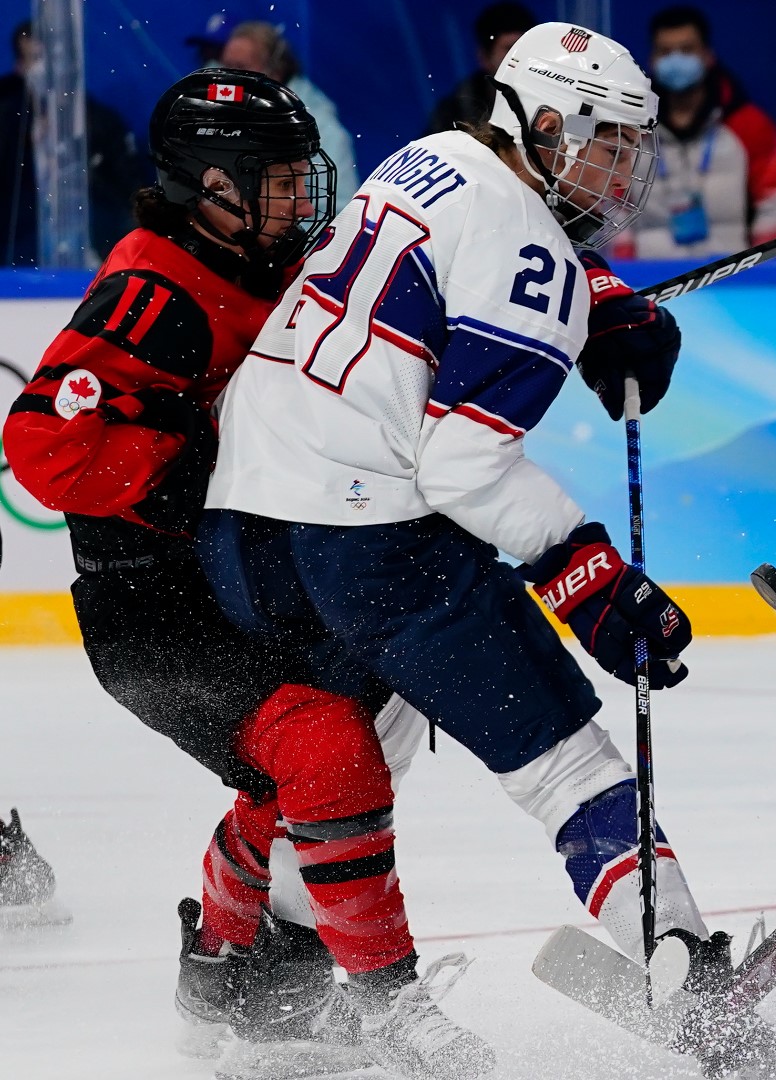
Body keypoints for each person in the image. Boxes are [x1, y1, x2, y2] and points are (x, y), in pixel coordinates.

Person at [196, 21, 731, 999]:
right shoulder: (535, 256)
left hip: (248, 516)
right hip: (366, 531)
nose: (623, 170)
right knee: (564, 758)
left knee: (348, 742)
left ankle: (246, 962)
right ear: (544, 123)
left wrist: (595, 292)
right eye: (606, 140)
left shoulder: (430, 156)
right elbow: (465, 468)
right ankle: (682, 965)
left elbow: (464, 265)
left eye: (631, 146)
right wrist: (591, 579)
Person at [0, 68, 489, 1080]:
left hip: (232, 584)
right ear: (205, 186)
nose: (293, 199)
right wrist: (198, 456)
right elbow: (43, 444)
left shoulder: (270, 270)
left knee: (329, 744)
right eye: (268, 181)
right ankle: (384, 1001)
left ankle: (231, 979)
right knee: (323, 747)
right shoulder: (152, 291)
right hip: (153, 609)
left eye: (294, 178)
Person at [615, 5, 776, 258]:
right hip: (648, 279)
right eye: (666, 52)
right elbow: (611, 203)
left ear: (708, 56)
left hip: (731, 281)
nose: (676, 60)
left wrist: (761, 270)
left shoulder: (750, 125)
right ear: (652, 61)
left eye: (687, 50)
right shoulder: (629, 127)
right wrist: (622, 274)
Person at [0, 21, 144, 264]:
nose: (43, 68)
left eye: (51, 58)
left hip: (93, 237)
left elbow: (129, 189)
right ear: (20, 66)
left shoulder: (100, 122)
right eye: (34, 58)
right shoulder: (7, 120)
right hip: (19, 243)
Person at [220, 20, 360, 193]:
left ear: (275, 73)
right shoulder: (217, 115)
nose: (229, 78)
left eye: (241, 68)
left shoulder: (323, 131)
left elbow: (339, 209)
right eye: (226, 67)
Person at [423, 2, 536, 136]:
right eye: (509, 48)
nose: (521, 56)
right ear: (484, 58)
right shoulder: (456, 113)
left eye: (527, 47)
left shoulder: (556, 98)